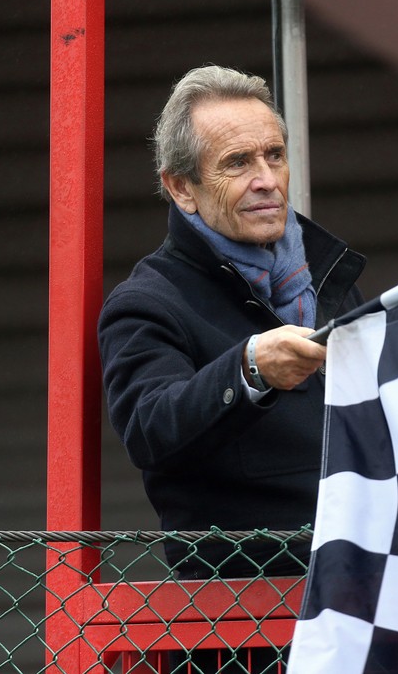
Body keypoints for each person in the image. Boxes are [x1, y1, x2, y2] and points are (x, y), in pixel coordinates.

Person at [97, 65, 366, 670]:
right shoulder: (147, 302)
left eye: (275, 155)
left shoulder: (329, 280)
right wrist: (249, 370)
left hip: (368, 604)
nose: (266, 180)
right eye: (238, 163)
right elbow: (149, 427)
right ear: (181, 188)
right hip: (245, 636)